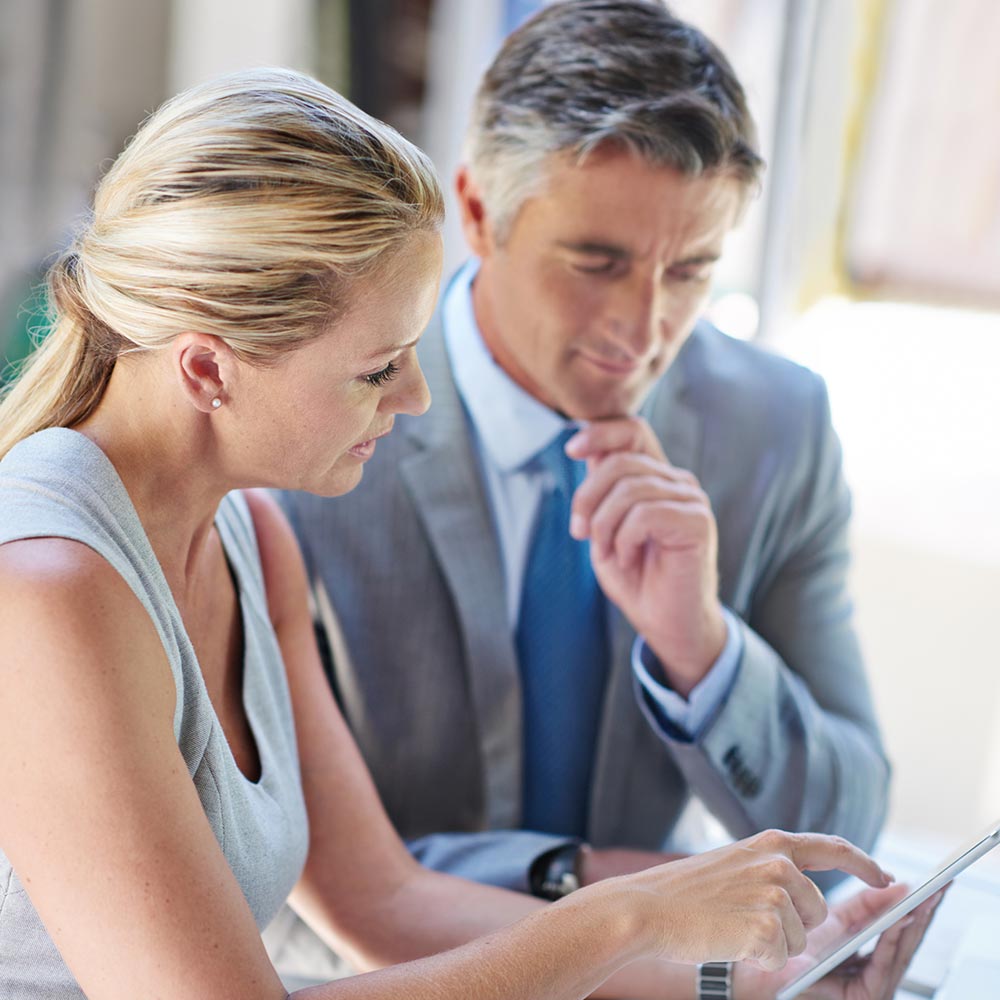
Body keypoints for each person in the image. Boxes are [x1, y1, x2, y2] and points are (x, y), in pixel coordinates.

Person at [0, 65, 936, 1000]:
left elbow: (385, 901)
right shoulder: (50, 591)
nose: (416, 397)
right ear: (207, 368)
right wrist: (631, 913)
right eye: (378, 370)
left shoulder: (249, 537)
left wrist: (758, 981)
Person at [276, 0, 889, 937]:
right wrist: (588, 882)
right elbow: (276, 858)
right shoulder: (312, 422)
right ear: (477, 212)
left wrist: (704, 652)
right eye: (597, 262)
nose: (644, 333)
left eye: (690, 270)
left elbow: (848, 835)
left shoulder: (778, 427)